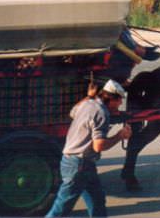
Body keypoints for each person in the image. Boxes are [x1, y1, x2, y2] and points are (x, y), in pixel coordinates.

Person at [46, 79, 131, 218]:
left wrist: (89, 96)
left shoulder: (88, 103)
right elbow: (98, 146)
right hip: (80, 165)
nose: (120, 104)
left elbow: (72, 113)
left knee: (97, 199)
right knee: (61, 208)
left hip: (76, 162)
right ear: (110, 98)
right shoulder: (102, 113)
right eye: (119, 100)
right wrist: (120, 136)